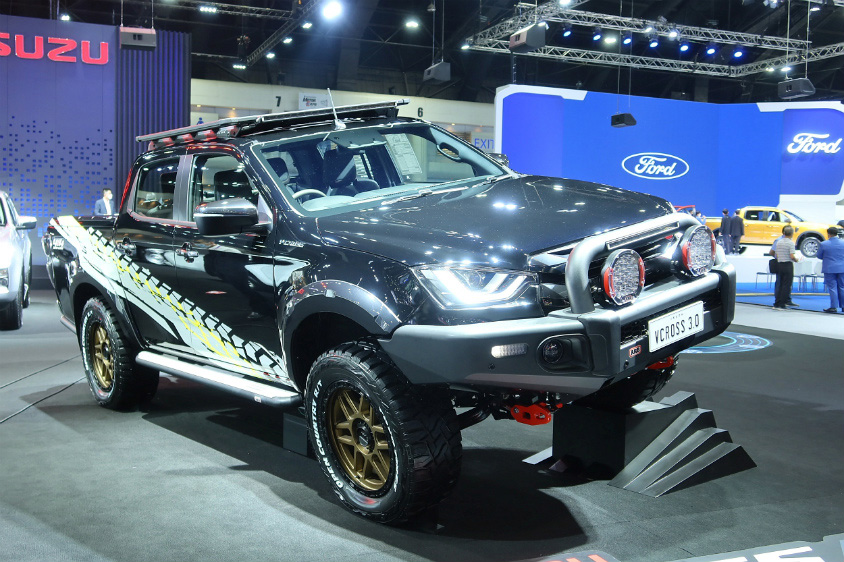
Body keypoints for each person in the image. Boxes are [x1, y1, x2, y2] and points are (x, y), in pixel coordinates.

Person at [816, 226, 844, 313]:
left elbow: (819, 256)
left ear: (828, 234)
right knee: (842, 287)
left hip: (829, 268)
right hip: (842, 268)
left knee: (832, 288)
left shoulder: (824, 244)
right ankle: (843, 306)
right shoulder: (843, 243)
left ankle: (833, 307)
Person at [773, 225, 800, 310]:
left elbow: (776, 254)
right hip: (788, 265)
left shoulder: (779, 242)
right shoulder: (791, 243)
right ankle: (782, 304)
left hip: (780, 264)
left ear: (784, 233)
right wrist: (796, 260)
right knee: (787, 285)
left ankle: (777, 303)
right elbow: (792, 256)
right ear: (792, 234)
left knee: (780, 284)